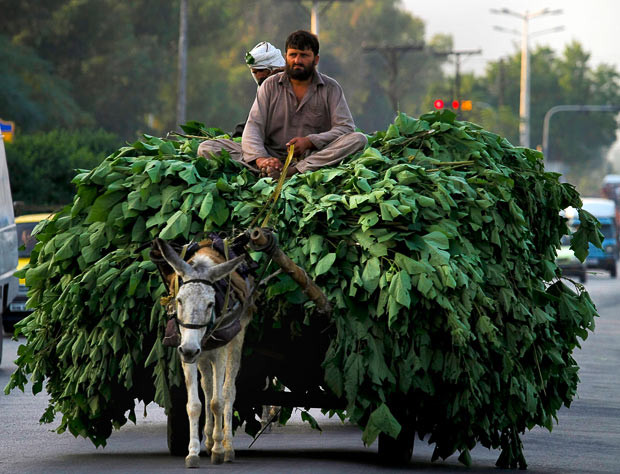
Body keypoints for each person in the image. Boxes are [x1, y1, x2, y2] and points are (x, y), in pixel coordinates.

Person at [198, 30, 367, 178]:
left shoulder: (331, 88)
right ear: (286, 57)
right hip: (270, 153)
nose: (297, 61)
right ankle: (266, 169)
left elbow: (345, 128)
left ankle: (293, 172)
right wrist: (261, 158)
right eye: (293, 55)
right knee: (207, 147)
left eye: (304, 55)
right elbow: (253, 127)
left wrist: (310, 141)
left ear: (315, 59)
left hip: (311, 156)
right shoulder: (270, 85)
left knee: (358, 139)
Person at [230, 41, 285, 138]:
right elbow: (253, 119)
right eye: (254, 72)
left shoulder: (285, 86)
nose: (258, 76)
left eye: (261, 70)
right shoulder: (263, 88)